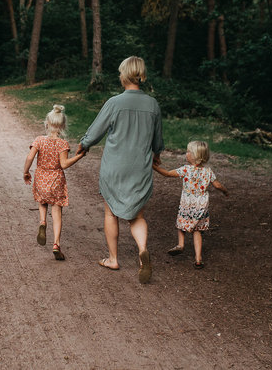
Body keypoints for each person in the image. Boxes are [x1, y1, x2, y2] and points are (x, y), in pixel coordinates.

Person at [76, 56, 164, 283]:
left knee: (110, 212)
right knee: (137, 216)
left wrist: (83, 144)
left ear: (124, 75)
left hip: (114, 167)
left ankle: (113, 258)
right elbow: (157, 142)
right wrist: (156, 155)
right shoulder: (152, 105)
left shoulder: (114, 103)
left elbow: (95, 133)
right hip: (140, 168)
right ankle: (142, 249)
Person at [153, 140, 229, 269]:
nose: (186, 153)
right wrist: (225, 191)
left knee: (181, 223)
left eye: (188, 152)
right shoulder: (208, 172)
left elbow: (167, 174)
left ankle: (181, 244)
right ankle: (198, 259)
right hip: (201, 206)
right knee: (197, 230)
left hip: (187, 203)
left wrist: (153, 166)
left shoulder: (186, 169)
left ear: (194, 156)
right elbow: (217, 185)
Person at [23, 104, 86, 260]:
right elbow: (64, 164)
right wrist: (79, 156)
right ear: (63, 125)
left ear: (47, 123)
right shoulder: (62, 144)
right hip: (56, 180)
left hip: (41, 178)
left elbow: (30, 157)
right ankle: (56, 244)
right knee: (57, 212)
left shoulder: (39, 140)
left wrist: (26, 172)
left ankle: (43, 222)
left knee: (42, 201)